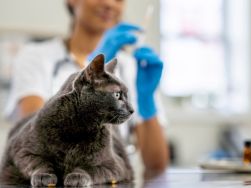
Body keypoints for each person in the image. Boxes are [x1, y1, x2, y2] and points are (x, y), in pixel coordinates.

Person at [5, 0, 169, 175]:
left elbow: (156, 165)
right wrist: (90, 75)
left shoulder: (131, 67)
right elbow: (34, 137)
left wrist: (146, 100)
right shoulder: (36, 57)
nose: (109, 4)